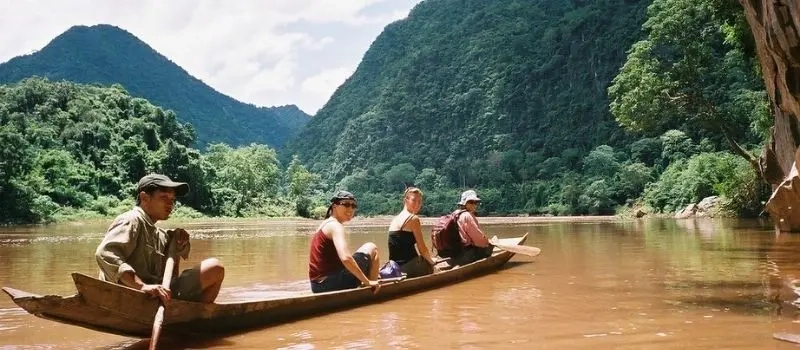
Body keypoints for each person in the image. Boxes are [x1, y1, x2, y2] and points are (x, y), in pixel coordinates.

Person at [95, 174, 225, 304]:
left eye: (172, 199)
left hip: (158, 294)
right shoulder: (131, 220)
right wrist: (142, 286)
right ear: (144, 198)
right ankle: (194, 317)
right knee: (215, 266)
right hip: (131, 295)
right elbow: (105, 254)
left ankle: (195, 315)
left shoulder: (160, 234)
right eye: (164, 197)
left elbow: (171, 274)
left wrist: (178, 242)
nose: (170, 204)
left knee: (215, 270)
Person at [308, 191, 381, 293]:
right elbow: (346, 258)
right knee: (372, 248)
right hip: (327, 284)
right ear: (334, 207)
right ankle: (372, 288)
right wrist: (367, 281)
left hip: (317, 286)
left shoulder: (326, 224)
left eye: (353, 205)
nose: (350, 209)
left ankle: (370, 280)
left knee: (362, 252)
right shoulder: (335, 226)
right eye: (346, 204)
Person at [387, 187, 437, 277]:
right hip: (408, 267)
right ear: (405, 200)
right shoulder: (413, 218)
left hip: (395, 267)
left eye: (419, 201)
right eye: (414, 200)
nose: (417, 204)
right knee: (430, 263)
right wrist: (432, 262)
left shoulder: (395, 219)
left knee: (426, 259)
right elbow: (422, 249)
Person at [451, 190, 493, 266]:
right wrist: (488, 244)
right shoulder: (467, 216)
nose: (474, 205)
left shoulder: (454, 214)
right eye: (471, 202)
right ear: (464, 203)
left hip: (454, 252)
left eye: (475, 202)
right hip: (466, 254)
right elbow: (478, 238)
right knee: (488, 248)